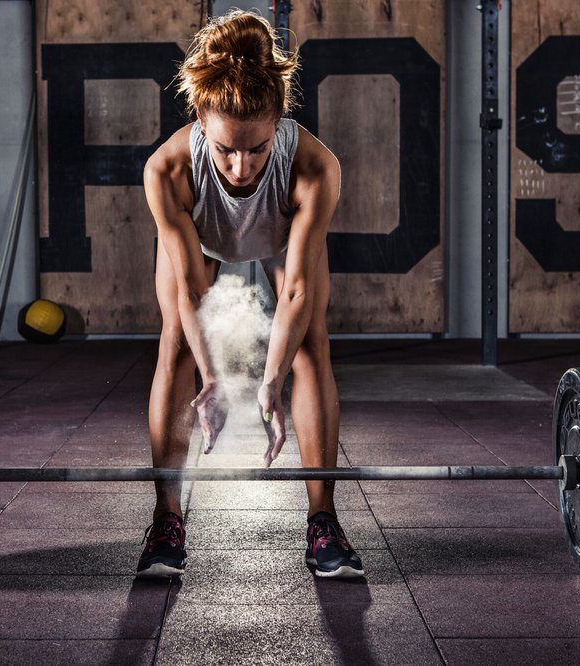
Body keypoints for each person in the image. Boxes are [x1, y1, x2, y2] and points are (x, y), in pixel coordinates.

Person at [138, 9, 363, 579]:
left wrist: (269, 386)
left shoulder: (313, 166)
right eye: (225, 150)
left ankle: (322, 523)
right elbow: (192, 291)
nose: (240, 167)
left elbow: (298, 294)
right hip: (202, 239)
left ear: (279, 121)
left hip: (281, 233)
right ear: (200, 119)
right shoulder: (168, 172)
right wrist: (215, 381)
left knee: (311, 346)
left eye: (257, 149)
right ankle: (167, 521)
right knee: (179, 346)